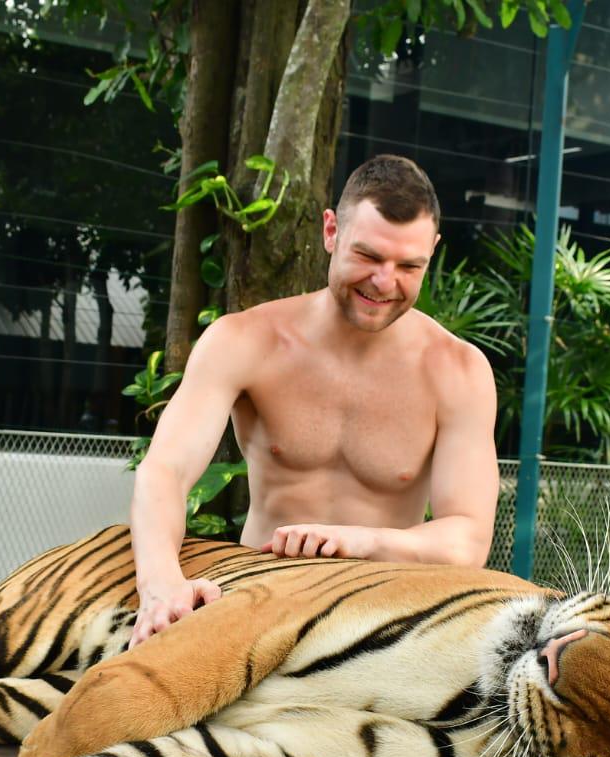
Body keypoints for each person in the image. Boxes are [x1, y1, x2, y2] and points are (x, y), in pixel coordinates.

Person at [129, 154, 500, 647]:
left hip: (385, 620)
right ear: (331, 232)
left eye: (409, 265)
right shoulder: (243, 341)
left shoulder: (459, 371)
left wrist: (359, 542)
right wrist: (159, 585)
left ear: (432, 251)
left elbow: (468, 539)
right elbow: (164, 472)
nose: (384, 282)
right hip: (259, 601)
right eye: (368, 256)